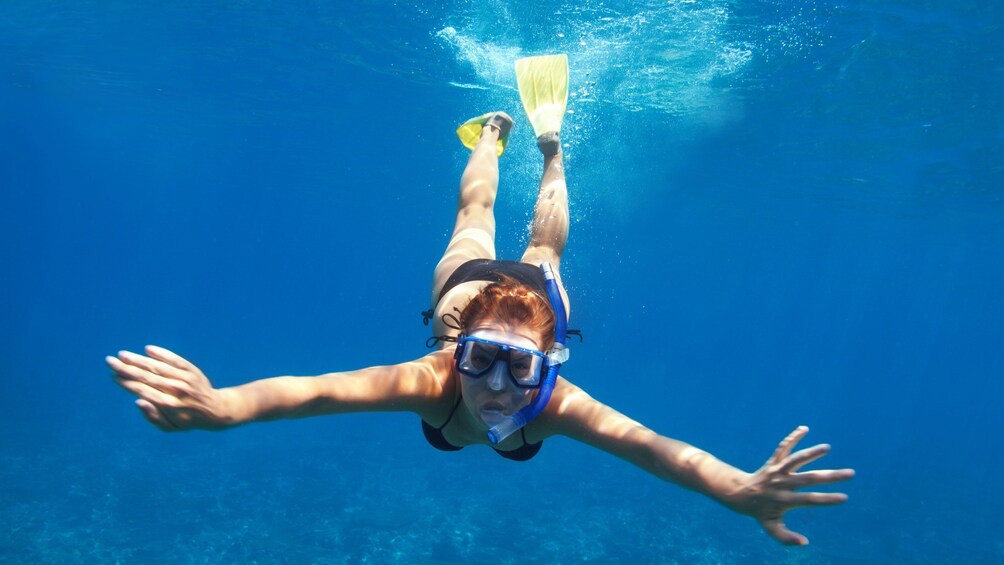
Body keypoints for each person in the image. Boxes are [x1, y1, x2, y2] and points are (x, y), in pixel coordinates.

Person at [108, 55, 853, 546]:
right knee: (480, 225)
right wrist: (223, 407)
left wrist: (741, 492)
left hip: (520, 300)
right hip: (468, 297)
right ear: (455, 350)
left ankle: (551, 147)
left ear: (548, 365)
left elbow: (656, 450)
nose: (497, 385)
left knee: (539, 250)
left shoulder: (551, 401)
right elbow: (314, 392)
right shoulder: (436, 376)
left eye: (519, 369)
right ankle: (495, 135)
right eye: (481, 361)